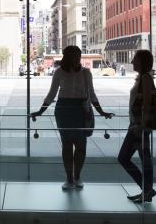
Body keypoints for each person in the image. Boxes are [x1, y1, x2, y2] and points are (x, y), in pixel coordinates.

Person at [31, 45, 114, 190]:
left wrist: (101, 112)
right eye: (75, 56)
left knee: (81, 146)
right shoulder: (59, 72)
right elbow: (51, 95)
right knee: (67, 146)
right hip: (64, 110)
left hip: (81, 111)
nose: (77, 59)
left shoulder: (86, 73)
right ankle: (69, 179)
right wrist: (40, 111)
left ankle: (77, 177)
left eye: (78, 56)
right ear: (67, 57)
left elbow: (92, 94)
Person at [118, 49, 156, 203]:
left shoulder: (146, 78)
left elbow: (147, 103)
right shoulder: (142, 78)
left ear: (142, 62)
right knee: (144, 159)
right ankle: (146, 190)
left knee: (124, 158)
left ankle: (147, 190)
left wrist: (141, 125)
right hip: (137, 125)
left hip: (139, 127)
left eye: (135, 59)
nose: (132, 61)